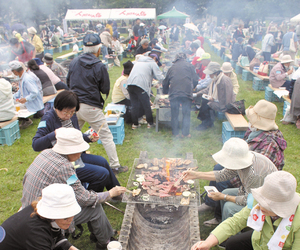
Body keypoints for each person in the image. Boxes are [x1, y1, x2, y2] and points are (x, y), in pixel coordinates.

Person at [22, 127, 126, 250]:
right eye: (79, 150)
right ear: (70, 150)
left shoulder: (46, 153)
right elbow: (85, 199)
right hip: (45, 216)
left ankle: (99, 234)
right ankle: (105, 242)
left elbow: (69, 183)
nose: (80, 154)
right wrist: (110, 193)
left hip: (28, 207)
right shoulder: (64, 167)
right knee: (94, 208)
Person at [32, 90, 121, 193]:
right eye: (65, 112)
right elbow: (36, 144)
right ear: (57, 107)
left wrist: (88, 138)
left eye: (72, 111)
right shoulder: (48, 119)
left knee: (102, 162)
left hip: (75, 157)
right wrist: (55, 134)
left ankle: (117, 192)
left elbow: (75, 135)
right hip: (62, 164)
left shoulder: (73, 116)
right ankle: (91, 200)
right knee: (101, 173)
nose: (69, 115)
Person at [191, 171, 300, 250]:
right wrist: (208, 243)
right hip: (259, 240)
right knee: (233, 243)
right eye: (261, 201)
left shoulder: (297, 220)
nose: (261, 207)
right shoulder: (258, 203)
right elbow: (235, 222)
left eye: (268, 205)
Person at [67, 33, 127, 174]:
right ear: (99, 49)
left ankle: (67, 163)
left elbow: (68, 82)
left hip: (73, 105)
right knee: (106, 136)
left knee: (72, 135)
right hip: (91, 106)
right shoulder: (99, 65)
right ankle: (115, 165)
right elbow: (105, 88)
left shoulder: (74, 62)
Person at [184, 138, 278, 225]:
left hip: (266, 202)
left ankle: (230, 237)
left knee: (229, 207)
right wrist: (196, 175)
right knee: (225, 192)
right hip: (251, 192)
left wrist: (224, 197)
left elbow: (248, 200)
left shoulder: (254, 174)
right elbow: (223, 174)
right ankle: (221, 220)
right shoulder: (243, 159)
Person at [0, 183, 81, 250]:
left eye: (72, 214)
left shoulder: (43, 215)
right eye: (65, 217)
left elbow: (57, 238)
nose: (70, 220)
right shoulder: (36, 233)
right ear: (53, 214)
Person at [163, 53, 198, 137]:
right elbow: (196, 79)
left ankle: (175, 133)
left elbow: (165, 82)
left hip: (174, 93)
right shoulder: (190, 66)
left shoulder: (171, 68)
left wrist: (165, 92)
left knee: (174, 114)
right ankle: (185, 134)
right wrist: (192, 88)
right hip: (187, 93)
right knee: (186, 113)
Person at [245, 100, 287, 170]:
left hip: (258, 177)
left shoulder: (268, 143)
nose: (249, 122)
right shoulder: (255, 132)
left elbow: (257, 173)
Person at [193, 62, 235, 131]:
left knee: (207, 103)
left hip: (224, 105)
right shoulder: (215, 80)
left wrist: (216, 101)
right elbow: (207, 89)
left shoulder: (225, 80)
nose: (209, 75)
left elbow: (228, 97)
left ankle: (205, 124)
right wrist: (196, 94)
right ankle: (207, 122)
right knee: (205, 99)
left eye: (210, 74)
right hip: (218, 101)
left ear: (216, 73)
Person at [127, 54, 164, 129]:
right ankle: (150, 123)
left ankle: (135, 124)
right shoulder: (152, 62)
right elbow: (159, 76)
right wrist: (166, 81)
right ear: (153, 58)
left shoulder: (138, 62)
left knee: (134, 105)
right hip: (140, 85)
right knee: (146, 105)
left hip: (130, 84)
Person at [9, 60, 44, 128]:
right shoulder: (22, 78)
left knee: (11, 108)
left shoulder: (27, 79)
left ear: (15, 71)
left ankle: (27, 120)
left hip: (33, 103)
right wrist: (12, 96)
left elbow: (34, 92)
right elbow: (20, 91)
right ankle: (25, 120)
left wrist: (26, 99)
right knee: (14, 105)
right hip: (29, 102)